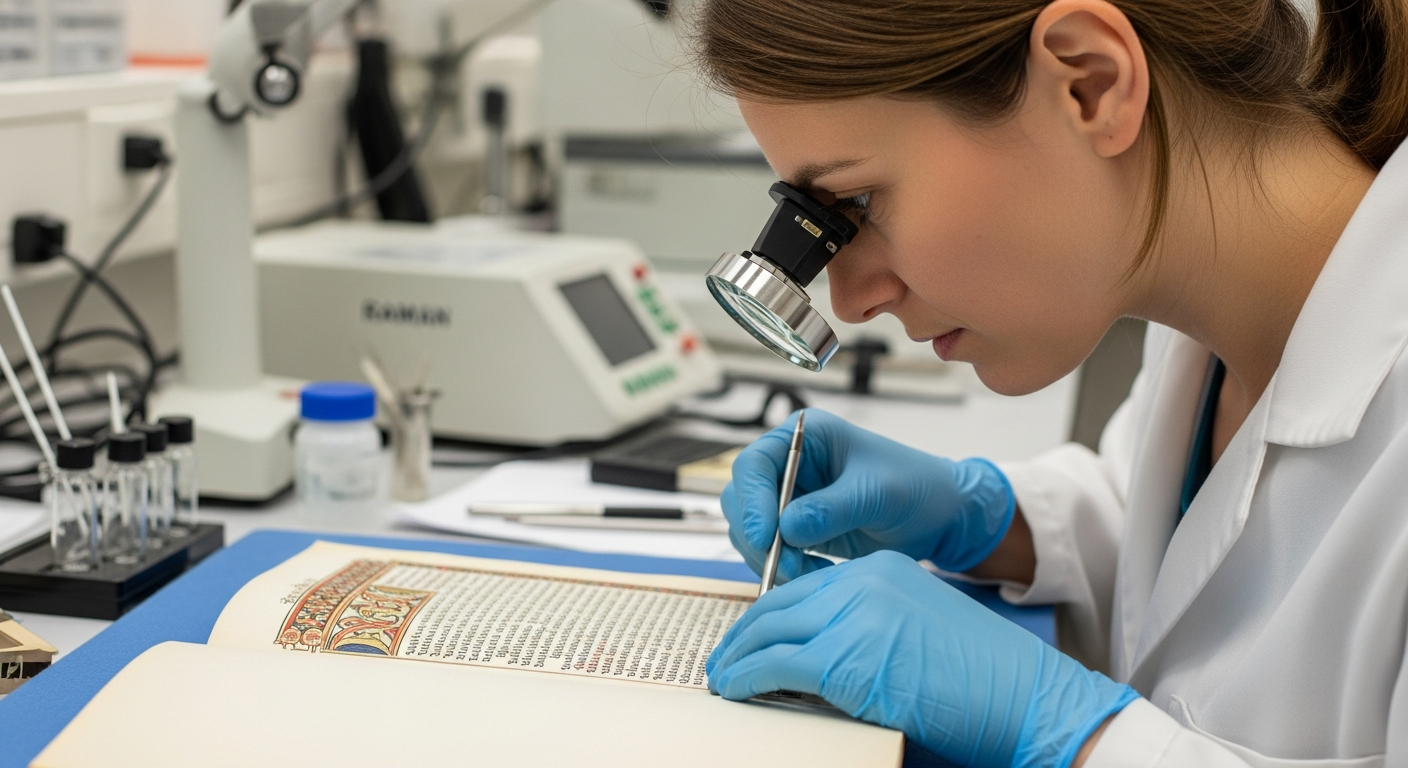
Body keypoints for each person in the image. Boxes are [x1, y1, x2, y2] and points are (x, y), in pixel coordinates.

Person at [696, 0, 1408, 765]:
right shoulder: (1201, 303)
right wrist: (992, 522)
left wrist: (1080, 733)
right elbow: (1194, 559)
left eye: (859, 204)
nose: (851, 300)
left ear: (1090, 83)